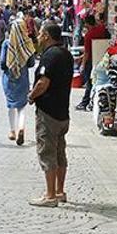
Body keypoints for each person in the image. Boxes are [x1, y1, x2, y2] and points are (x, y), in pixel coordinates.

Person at [28, 23, 74, 207]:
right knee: (60, 152)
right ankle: (59, 191)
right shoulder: (66, 54)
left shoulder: (49, 55)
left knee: (47, 152)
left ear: (46, 35)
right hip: (63, 112)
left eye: (40, 34)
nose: (38, 37)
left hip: (49, 112)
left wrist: (31, 96)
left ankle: (50, 195)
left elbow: (43, 83)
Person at [0, 21, 35, 145]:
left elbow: (2, 64)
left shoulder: (6, 43)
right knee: (21, 106)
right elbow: (31, 63)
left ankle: (12, 131)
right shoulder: (27, 43)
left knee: (10, 105)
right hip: (23, 78)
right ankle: (21, 128)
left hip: (9, 78)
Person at [75, 15, 109, 111]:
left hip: (91, 61)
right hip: (103, 58)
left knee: (90, 82)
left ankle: (85, 102)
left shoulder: (88, 35)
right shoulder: (101, 29)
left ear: (86, 24)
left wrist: (82, 64)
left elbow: (87, 52)